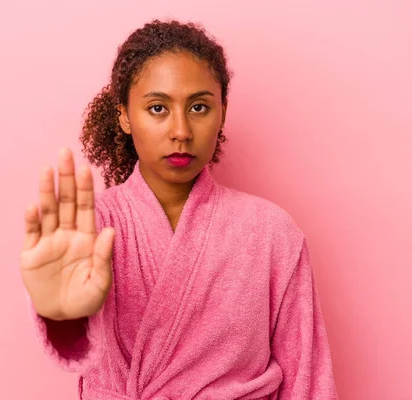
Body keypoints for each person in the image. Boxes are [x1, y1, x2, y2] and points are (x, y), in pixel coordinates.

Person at [20, 19, 338, 400]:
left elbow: (309, 378)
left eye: (199, 107)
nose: (181, 131)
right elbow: (77, 345)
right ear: (124, 115)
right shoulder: (90, 229)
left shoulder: (272, 233)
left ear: (222, 111)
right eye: (157, 108)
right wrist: (62, 318)